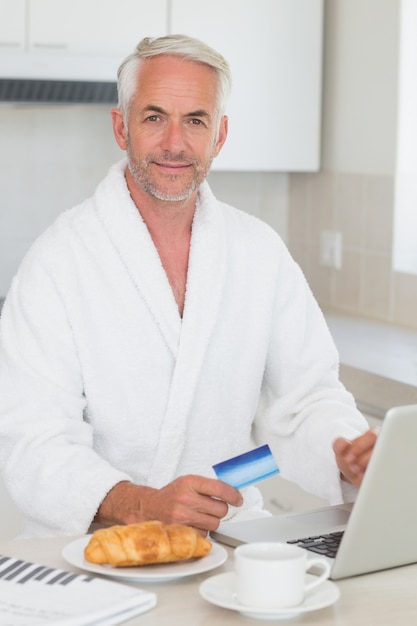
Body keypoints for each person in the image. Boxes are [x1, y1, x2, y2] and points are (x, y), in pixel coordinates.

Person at [0, 34, 377, 538]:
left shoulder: (258, 252)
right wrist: (139, 504)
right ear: (121, 127)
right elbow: (32, 441)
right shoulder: (59, 261)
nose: (175, 143)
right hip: (91, 552)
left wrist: (347, 453)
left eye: (195, 120)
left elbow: (305, 399)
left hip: (225, 539)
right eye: (154, 117)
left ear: (219, 136)